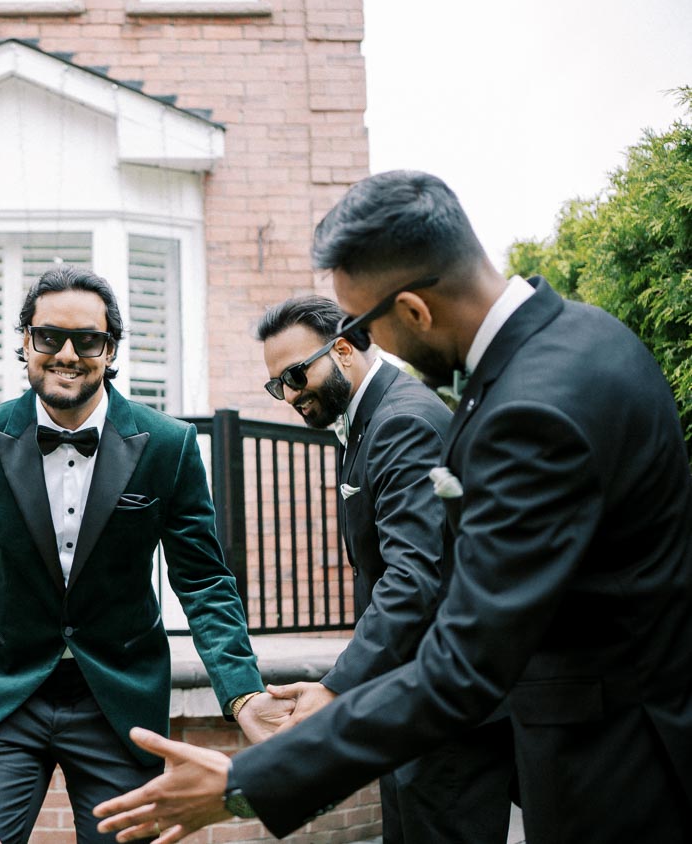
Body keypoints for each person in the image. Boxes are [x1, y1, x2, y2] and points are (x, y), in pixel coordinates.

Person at [94, 169, 692, 843]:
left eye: (362, 324)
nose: (366, 343)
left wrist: (247, 782)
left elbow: (463, 658)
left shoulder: (527, 411)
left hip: (615, 770)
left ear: (412, 310)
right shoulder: (588, 336)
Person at [0, 265, 291, 843]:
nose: (67, 354)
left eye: (87, 340)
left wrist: (243, 693)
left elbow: (204, 580)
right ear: (26, 341)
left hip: (118, 696)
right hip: (2, 691)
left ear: (109, 350)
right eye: (49, 336)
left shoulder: (169, 444)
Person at [257, 295, 512, 843]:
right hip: (411, 698)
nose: (290, 394)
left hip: (446, 708)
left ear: (343, 350)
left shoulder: (402, 421)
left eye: (296, 375)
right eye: (278, 385)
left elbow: (412, 577)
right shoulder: (370, 416)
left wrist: (335, 687)